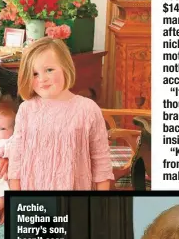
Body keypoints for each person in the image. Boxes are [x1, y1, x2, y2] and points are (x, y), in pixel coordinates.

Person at [8, 37, 113, 190]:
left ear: (66, 67)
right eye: (34, 74)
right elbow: (16, 161)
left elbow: (101, 162)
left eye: (49, 70)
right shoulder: (26, 110)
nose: (42, 79)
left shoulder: (88, 109)